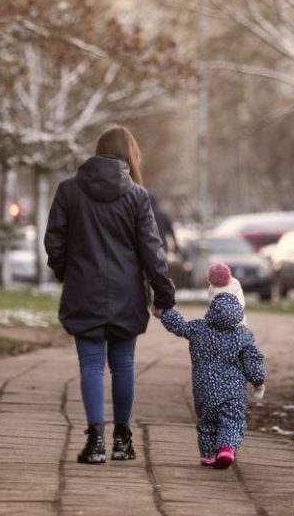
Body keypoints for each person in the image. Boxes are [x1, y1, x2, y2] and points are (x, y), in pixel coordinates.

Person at [45, 125, 176, 464]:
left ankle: (95, 442)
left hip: (83, 289)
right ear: (130, 154)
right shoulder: (137, 196)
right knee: (124, 366)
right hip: (126, 293)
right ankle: (122, 439)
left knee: (90, 364)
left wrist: (66, 272)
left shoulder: (69, 190)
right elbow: (152, 250)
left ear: (98, 150)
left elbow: (54, 241)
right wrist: (162, 294)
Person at [152, 293, 265, 469]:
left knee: (207, 422)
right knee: (233, 421)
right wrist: (258, 381)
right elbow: (252, 360)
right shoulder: (244, 336)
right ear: (238, 312)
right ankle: (226, 449)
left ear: (212, 310)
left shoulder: (198, 328)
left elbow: (180, 326)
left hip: (204, 389)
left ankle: (208, 455)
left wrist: (165, 313)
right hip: (232, 391)